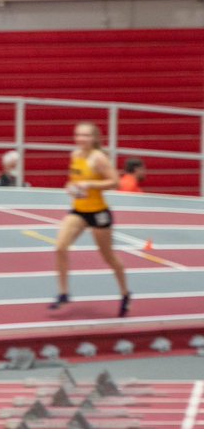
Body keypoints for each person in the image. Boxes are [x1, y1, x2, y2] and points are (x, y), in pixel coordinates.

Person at [48, 122, 130, 317]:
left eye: (85, 135)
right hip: (79, 211)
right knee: (60, 247)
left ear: (94, 138)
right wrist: (72, 187)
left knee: (108, 257)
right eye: (78, 135)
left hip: (98, 213)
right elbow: (75, 180)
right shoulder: (75, 155)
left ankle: (125, 293)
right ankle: (63, 293)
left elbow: (115, 182)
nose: (80, 139)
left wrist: (90, 184)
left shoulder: (98, 158)